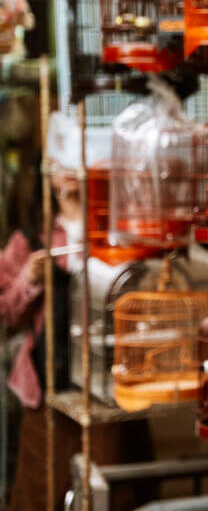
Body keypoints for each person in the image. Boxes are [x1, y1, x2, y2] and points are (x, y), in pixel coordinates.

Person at [2, 112, 151, 511]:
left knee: (113, 486)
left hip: (110, 383)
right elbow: (4, 313)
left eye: (76, 165)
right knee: (43, 488)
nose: (69, 175)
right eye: (60, 166)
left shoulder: (118, 229)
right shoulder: (30, 238)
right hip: (49, 385)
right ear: (47, 173)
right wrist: (29, 281)